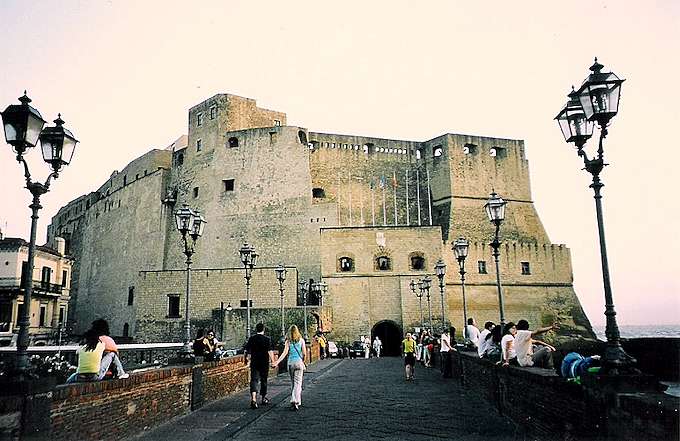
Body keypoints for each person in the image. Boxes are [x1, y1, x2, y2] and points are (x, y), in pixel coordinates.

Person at [272, 324, 306, 410]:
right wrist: (303, 361)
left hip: (291, 363)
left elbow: (284, 353)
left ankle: (295, 400)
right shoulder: (301, 340)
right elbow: (304, 353)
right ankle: (295, 400)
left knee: (293, 383)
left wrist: (277, 362)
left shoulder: (288, 341)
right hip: (299, 362)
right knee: (298, 383)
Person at [244, 322, 275, 409]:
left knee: (254, 380)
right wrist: (273, 361)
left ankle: (253, 399)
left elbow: (247, 351)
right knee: (264, 380)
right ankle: (263, 398)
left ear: (256, 329)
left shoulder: (251, 339)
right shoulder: (267, 339)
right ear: (263, 329)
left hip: (254, 362)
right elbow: (270, 351)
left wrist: (246, 360)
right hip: (264, 362)